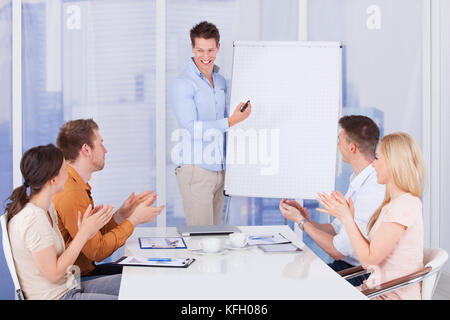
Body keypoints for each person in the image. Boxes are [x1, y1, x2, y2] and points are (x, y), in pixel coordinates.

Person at [316, 132, 425, 300]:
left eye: (378, 158)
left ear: (393, 163)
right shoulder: (392, 204)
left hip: (387, 295)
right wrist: (349, 219)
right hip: (375, 290)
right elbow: (371, 252)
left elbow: (368, 261)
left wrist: (346, 219)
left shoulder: (404, 205)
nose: (373, 164)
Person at [279, 115, 385, 286]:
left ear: (352, 148)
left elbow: (338, 251)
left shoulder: (373, 189)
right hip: (348, 266)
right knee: (293, 278)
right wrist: (306, 219)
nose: (337, 145)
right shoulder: (358, 179)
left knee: (297, 284)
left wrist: (301, 222)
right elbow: (336, 229)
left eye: (339, 140)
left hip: (362, 273)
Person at [6, 144, 121, 299]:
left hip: (70, 287)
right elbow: (54, 274)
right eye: (64, 168)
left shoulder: (47, 208)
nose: (68, 170)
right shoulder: (33, 219)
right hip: (58, 296)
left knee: (132, 283)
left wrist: (85, 231)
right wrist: (83, 234)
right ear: (53, 180)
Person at [53, 119, 164, 278]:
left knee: (150, 269)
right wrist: (134, 220)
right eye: (101, 144)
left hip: (86, 271)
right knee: (148, 279)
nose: (105, 150)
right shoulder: (70, 192)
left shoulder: (75, 185)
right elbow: (97, 251)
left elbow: (92, 237)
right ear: (86, 149)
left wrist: (122, 214)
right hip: (78, 280)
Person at [168, 21, 252, 226]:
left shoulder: (221, 82)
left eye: (210, 50)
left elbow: (227, 125)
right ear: (192, 48)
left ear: (218, 48)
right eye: (200, 50)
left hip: (220, 170)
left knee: (215, 240)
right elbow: (190, 128)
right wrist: (232, 120)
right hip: (196, 169)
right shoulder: (182, 84)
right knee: (201, 239)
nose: (206, 56)